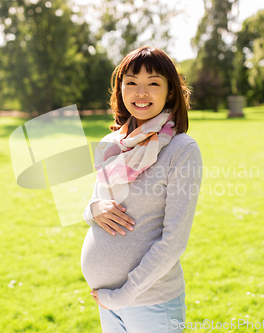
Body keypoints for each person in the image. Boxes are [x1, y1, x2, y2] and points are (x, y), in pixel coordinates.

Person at [81, 46, 203, 333]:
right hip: (109, 304)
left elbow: (174, 240)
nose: (141, 92)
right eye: (132, 83)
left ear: (170, 92)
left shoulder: (181, 149)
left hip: (150, 304)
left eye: (153, 83)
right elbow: (94, 204)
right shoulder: (111, 144)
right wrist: (93, 209)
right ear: (120, 89)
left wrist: (121, 297)